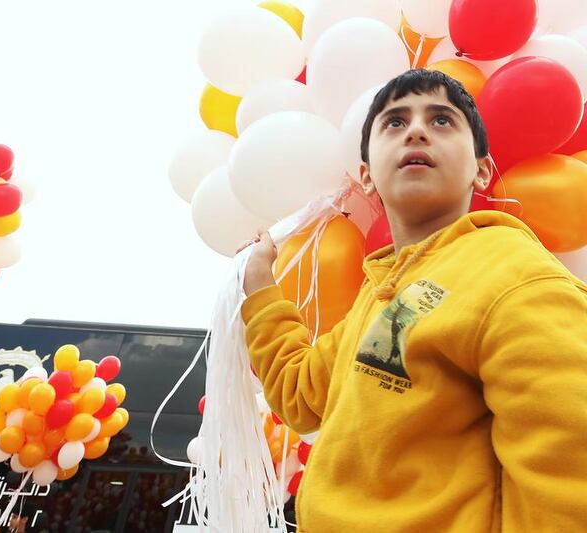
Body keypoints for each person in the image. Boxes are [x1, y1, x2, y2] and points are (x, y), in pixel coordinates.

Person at [239, 69, 587, 532]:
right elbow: (300, 396)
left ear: (481, 169)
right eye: (394, 123)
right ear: (366, 176)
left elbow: (569, 477)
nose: (417, 130)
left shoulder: (514, 275)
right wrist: (261, 288)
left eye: (442, 121)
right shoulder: (379, 293)